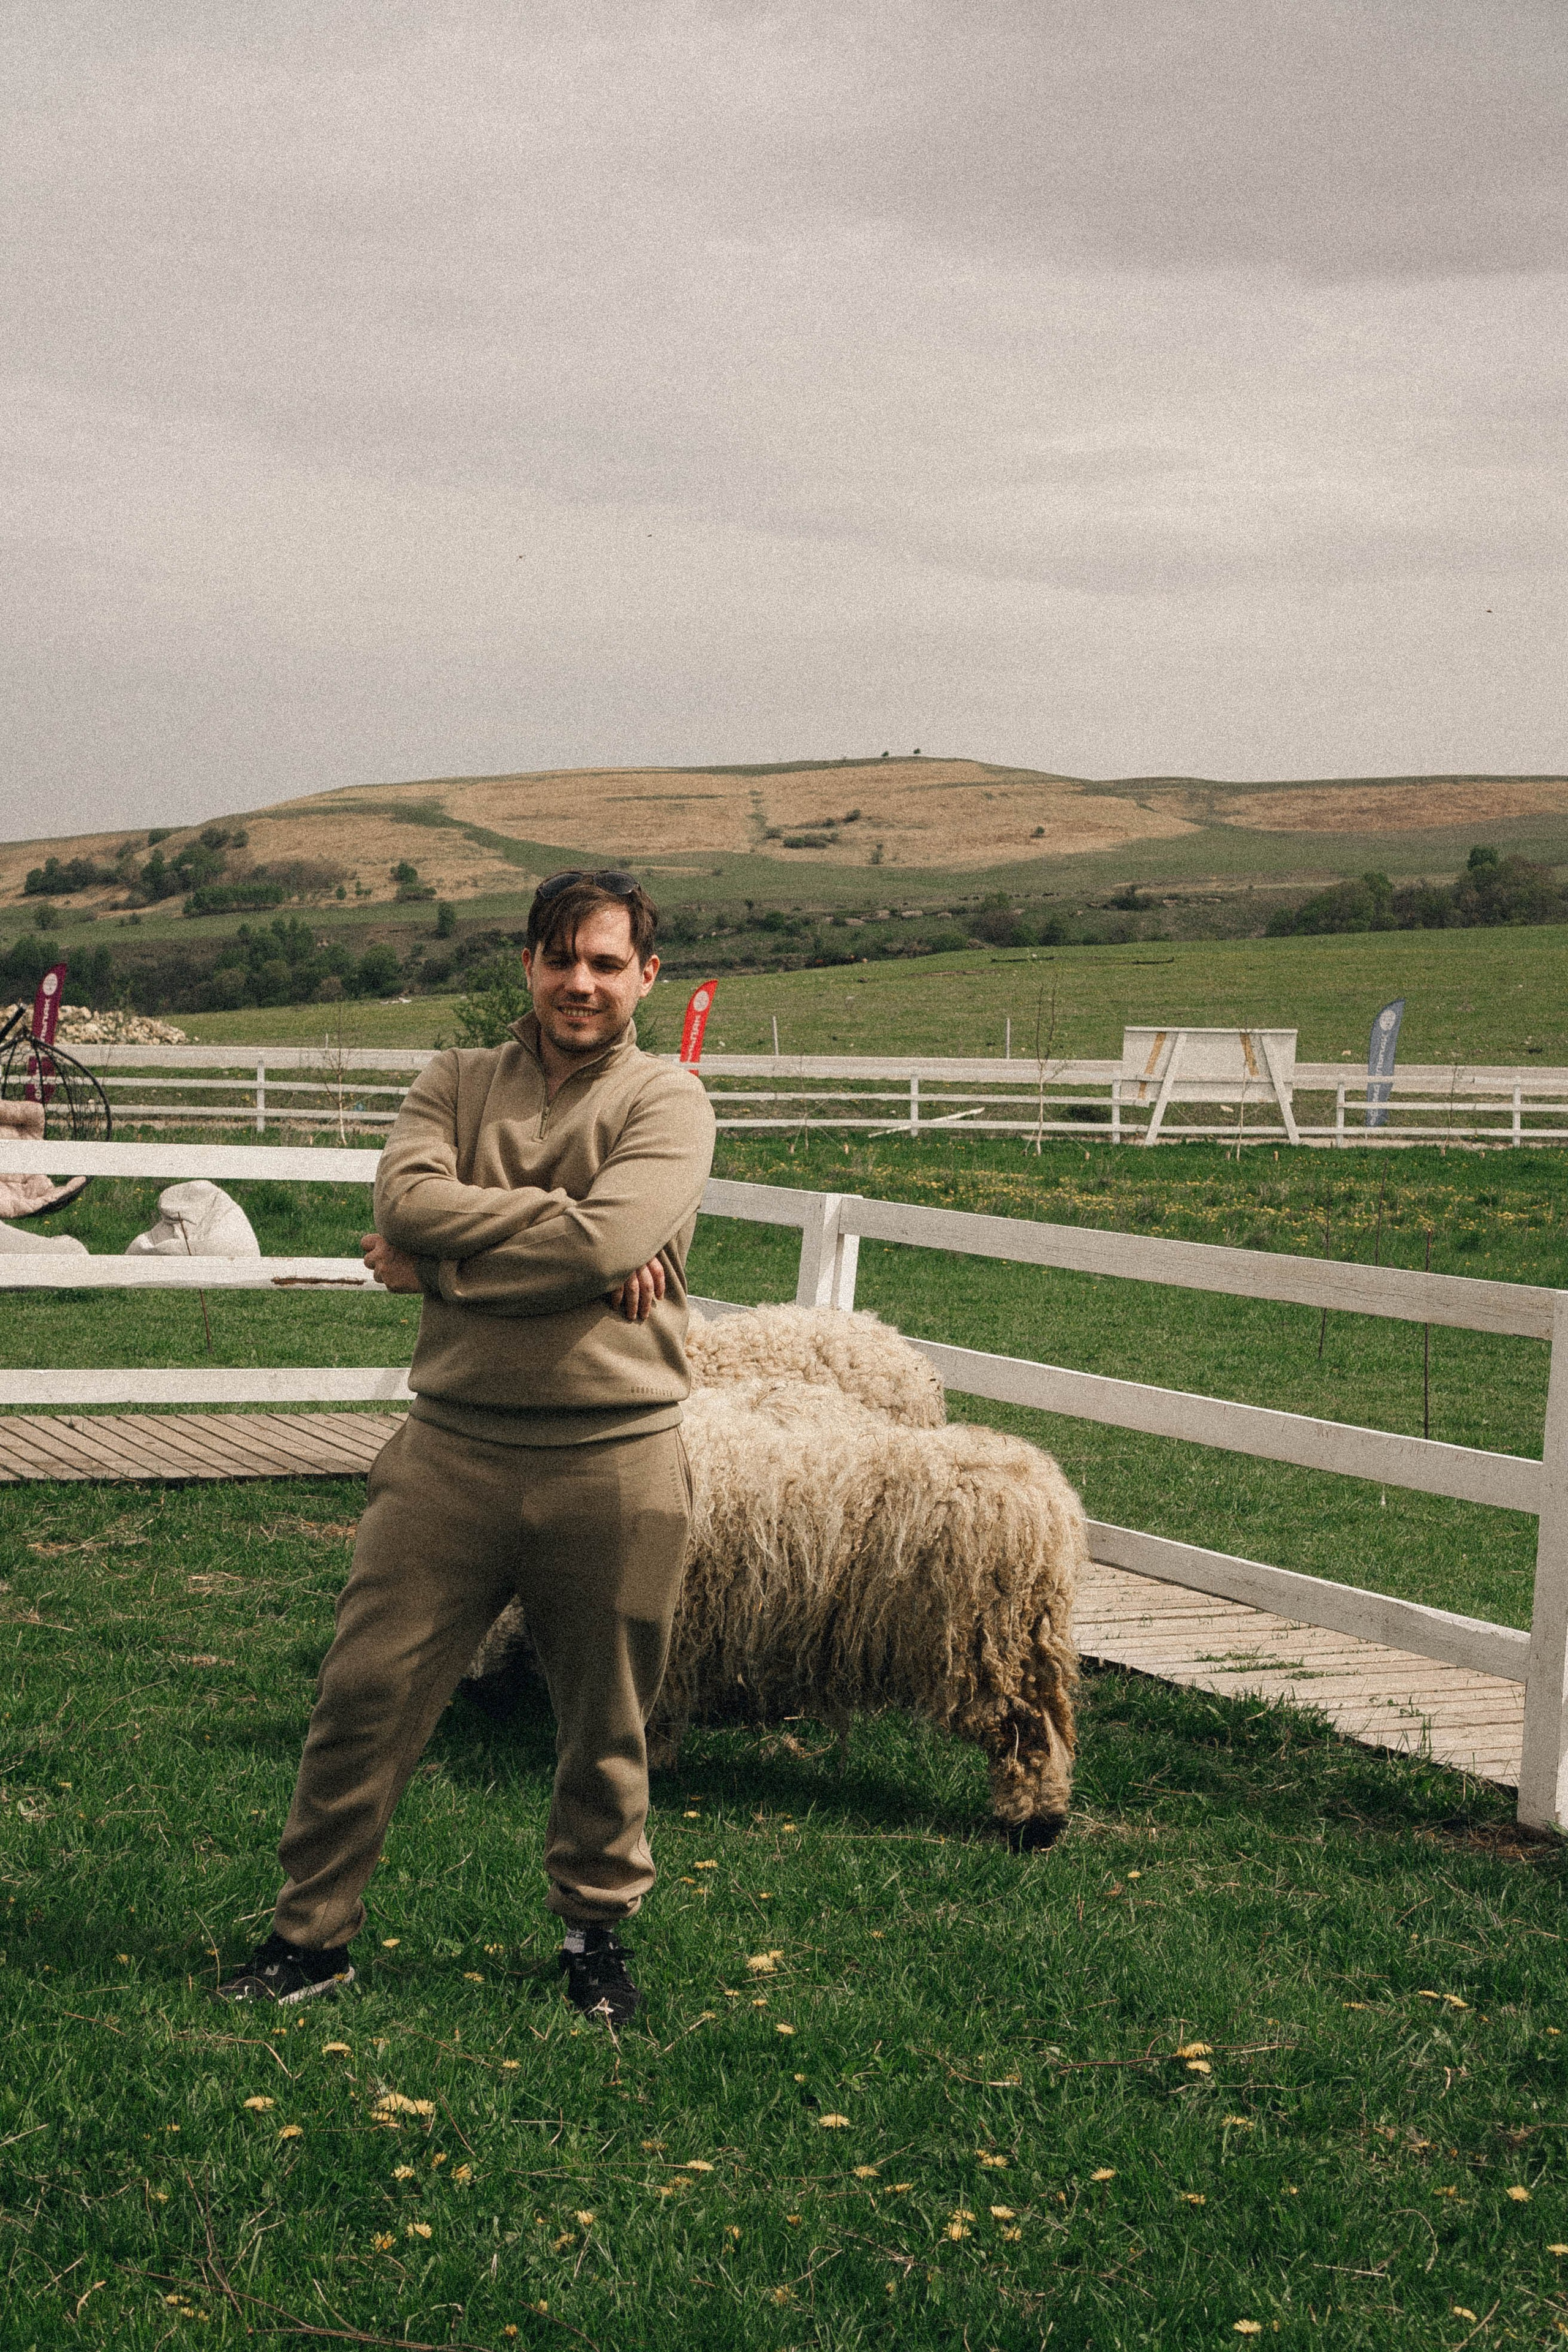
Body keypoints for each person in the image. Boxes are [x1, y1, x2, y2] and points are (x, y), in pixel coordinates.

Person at [215, 871, 716, 2026]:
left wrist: (439, 1267)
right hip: (449, 1453)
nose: (579, 983)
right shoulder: (453, 1079)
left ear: (647, 976)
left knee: (606, 1720)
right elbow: (412, 1202)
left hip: (616, 1460)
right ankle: (309, 1940)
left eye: (605, 963)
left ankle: (594, 1937)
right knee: (364, 1694)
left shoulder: (669, 1101)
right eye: (559, 959)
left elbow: (603, 1241)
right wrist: (570, 1231)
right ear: (528, 964)